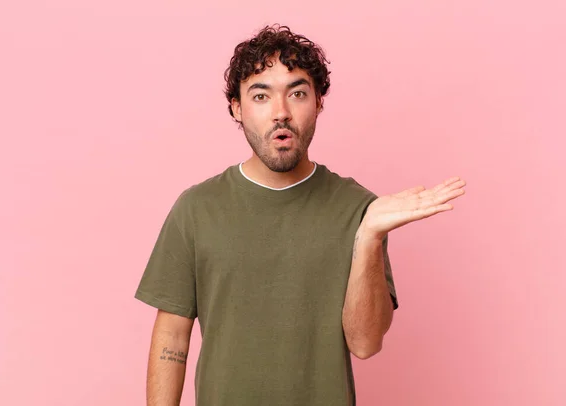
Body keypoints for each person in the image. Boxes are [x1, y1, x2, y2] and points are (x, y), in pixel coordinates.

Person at [134, 24, 466, 406]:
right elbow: (172, 337)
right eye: (261, 96)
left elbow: (365, 344)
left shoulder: (360, 208)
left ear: (319, 102)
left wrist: (369, 236)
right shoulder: (196, 209)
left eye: (297, 93)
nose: (281, 113)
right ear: (237, 108)